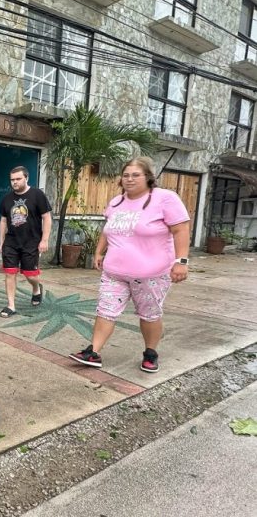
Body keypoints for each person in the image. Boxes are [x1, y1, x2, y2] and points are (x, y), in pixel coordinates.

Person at [69, 157, 190, 372]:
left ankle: (150, 353)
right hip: (114, 272)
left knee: (149, 314)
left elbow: (181, 229)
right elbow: (109, 229)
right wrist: (99, 251)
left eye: (136, 175)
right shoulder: (116, 202)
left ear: (148, 177)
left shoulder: (165, 199)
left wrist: (181, 261)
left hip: (151, 274)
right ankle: (93, 352)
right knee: (105, 310)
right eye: (126, 175)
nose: (130, 179)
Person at [0, 166, 52, 317]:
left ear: (26, 178)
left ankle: (36, 288)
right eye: (12, 180)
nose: (14, 182)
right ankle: (11, 306)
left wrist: (44, 240)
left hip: (31, 242)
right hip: (11, 242)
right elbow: (3, 221)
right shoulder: (6, 199)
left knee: (30, 275)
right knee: (9, 273)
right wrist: (1, 242)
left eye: (18, 179)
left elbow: (46, 217)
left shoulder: (37, 195)